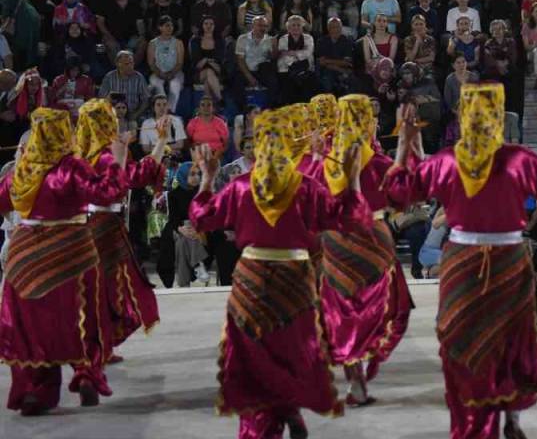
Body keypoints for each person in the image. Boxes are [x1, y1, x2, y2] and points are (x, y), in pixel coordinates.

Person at [385, 86, 537, 439]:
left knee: (486, 341)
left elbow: (400, 193)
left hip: (477, 261)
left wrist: (404, 147)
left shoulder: (451, 161)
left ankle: (503, 416)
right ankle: (502, 417)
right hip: (491, 260)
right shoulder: (515, 160)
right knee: (496, 341)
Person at [185, 105, 370, 438]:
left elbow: (201, 217)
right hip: (296, 280)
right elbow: (347, 217)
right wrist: (353, 176)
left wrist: (208, 179)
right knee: (291, 349)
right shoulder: (306, 187)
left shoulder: (241, 187)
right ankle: (288, 408)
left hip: (251, 278)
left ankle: (263, 424)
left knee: (253, 354)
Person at [0, 108, 129, 415]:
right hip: (71, 252)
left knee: (31, 325)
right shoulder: (71, 167)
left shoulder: (21, 169)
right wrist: (119, 160)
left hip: (25, 259)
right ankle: (86, 374)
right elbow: (107, 193)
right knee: (81, 318)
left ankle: (35, 389)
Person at [313, 95, 413, 406]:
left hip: (337, 242)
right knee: (388, 307)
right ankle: (369, 361)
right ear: (367, 122)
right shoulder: (381, 163)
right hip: (374, 238)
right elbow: (403, 198)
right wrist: (406, 147)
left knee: (341, 310)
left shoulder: (325, 167)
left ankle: (354, 374)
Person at [74, 98, 167, 359]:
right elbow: (137, 177)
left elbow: (138, 174)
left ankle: (99, 344)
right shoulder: (106, 156)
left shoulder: (82, 155)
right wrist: (159, 142)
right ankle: (98, 346)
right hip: (104, 227)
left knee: (99, 287)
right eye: (111, 119)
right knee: (109, 288)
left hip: (89, 225)